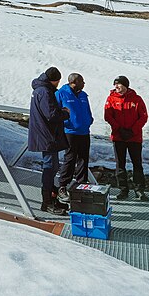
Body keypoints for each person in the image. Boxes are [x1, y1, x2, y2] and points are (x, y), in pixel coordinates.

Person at [28, 66, 70, 215]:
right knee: (50, 167)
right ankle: (47, 203)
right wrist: (65, 113)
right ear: (54, 80)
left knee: (52, 166)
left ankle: (51, 198)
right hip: (47, 135)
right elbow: (51, 114)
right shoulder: (45, 92)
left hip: (43, 134)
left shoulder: (39, 89)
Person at [104, 75, 149, 201]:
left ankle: (139, 190)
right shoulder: (111, 99)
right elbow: (108, 116)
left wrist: (132, 131)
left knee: (137, 164)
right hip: (119, 137)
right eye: (115, 84)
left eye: (119, 84)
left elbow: (143, 116)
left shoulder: (137, 99)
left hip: (134, 138)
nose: (116, 87)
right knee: (120, 164)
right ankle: (123, 190)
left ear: (125, 86)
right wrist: (119, 129)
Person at [55, 72, 93, 202]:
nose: (84, 83)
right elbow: (55, 111)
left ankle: (81, 184)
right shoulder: (62, 93)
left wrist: (89, 120)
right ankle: (63, 186)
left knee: (83, 158)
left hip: (84, 131)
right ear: (73, 82)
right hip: (70, 131)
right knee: (70, 158)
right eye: (82, 81)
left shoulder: (83, 95)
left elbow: (87, 110)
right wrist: (65, 123)